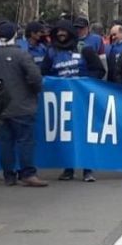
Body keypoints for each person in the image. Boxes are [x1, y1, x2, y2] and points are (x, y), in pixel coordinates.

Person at [0, 21, 47, 188]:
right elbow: (35, 77)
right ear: (15, 36)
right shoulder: (22, 54)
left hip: (0, 107)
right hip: (22, 105)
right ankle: (28, 174)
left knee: (5, 142)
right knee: (25, 141)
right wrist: (35, 91)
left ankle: (8, 175)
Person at [45, 21, 105, 181]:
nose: (60, 34)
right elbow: (43, 74)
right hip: (61, 102)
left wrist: (84, 83)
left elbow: (99, 70)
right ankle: (68, 169)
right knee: (66, 136)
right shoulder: (51, 53)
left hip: (82, 100)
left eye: (64, 31)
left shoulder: (84, 49)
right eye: (58, 31)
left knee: (85, 134)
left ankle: (88, 169)